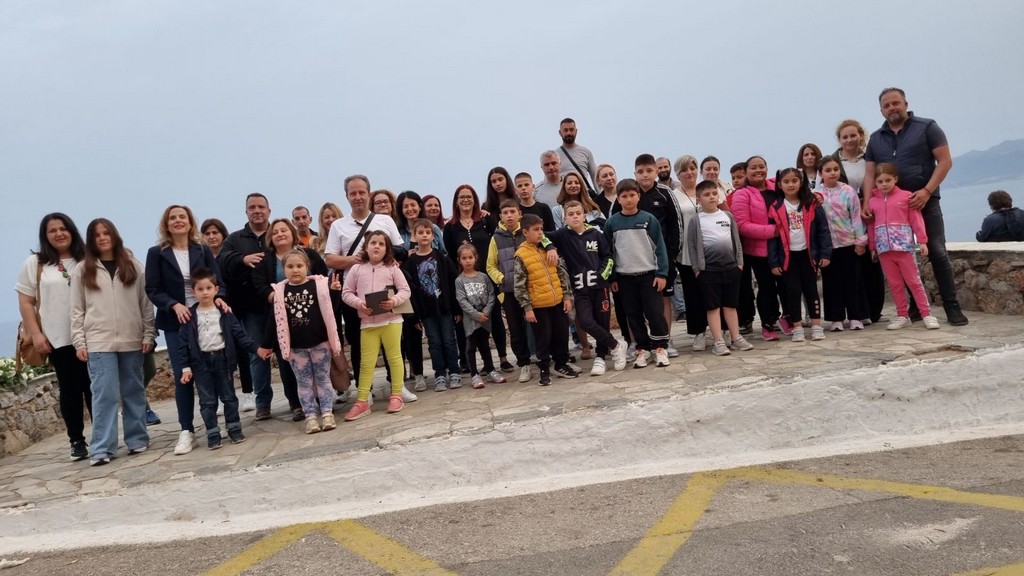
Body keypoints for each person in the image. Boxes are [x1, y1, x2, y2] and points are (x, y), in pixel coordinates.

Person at [864, 87, 967, 326]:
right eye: (886, 105)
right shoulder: (876, 139)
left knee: (937, 250)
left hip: (924, 201)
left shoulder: (927, 127)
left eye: (895, 103)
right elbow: (870, 173)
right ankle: (915, 308)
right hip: (892, 207)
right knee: (900, 256)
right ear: (881, 110)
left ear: (905, 104)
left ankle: (951, 306)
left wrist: (927, 191)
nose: (892, 108)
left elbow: (945, 161)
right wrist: (867, 201)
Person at [70, 218, 155, 466]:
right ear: (91, 240)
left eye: (106, 233)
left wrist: (148, 334)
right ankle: (102, 448)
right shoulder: (82, 270)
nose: (102, 238)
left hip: (132, 340)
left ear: (114, 235)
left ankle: (137, 439)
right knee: (104, 395)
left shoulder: (133, 266)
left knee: (133, 391)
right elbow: (76, 309)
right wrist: (79, 342)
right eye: (97, 235)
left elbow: (145, 303)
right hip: (98, 342)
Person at [145, 205, 227, 456]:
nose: (178, 220)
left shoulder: (202, 250)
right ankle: (186, 430)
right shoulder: (157, 253)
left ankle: (217, 425)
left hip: (206, 318)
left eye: (182, 217)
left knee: (213, 370)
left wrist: (219, 300)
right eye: (173, 218)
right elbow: (153, 289)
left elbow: (218, 283)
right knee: (184, 375)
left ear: (190, 222)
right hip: (176, 322)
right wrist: (174, 304)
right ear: (166, 224)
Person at [16, 213, 92, 460]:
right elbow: (26, 302)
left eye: (63, 228)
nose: (59, 234)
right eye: (52, 230)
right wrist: (36, 334)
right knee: (70, 391)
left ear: (72, 231)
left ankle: (103, 436)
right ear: (45, 236)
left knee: (95, 389)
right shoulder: (35, 264)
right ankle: (77, 441)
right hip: (58, 338)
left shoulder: (87, 259)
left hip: (92, 334)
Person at [324, 175, 408, 388]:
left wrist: (386, 255)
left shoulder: (385, 221)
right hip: (355, 293)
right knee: (358, 342)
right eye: (353, 193)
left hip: (386, 289)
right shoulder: (338, 226)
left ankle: (397, 386)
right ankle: (365, 389)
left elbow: (401, 251)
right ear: (346, 196)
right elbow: (330, 259)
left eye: (361, 192)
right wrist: (355, 259)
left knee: (394, 341)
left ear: (368, 194)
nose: (358, 197)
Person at [178, 269, 270, 449]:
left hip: (223, 360)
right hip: (200, 363)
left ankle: (234, 428)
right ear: (193, 292)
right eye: (200, 289)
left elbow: (239, 335)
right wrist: (185, 368)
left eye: (208, 288)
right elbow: (183, 344)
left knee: (228, 397)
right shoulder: (189, 316)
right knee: (207, 400)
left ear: (216, 289)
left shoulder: (225, 312)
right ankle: (213, 432)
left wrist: (257, 348)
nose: (205, 292)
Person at [252, 218, 330, 422]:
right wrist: (276, 298)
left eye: (284, 230)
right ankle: (296, 404)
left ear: (292, 232)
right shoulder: (265, 261)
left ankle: (322, 402)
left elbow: (323, 277)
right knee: (288, 365)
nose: (280, 234)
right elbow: (259, 285)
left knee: (317, 368)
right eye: (275, 232)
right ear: (270, 238)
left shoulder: (309, 254)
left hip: (313, 319)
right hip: (284, 320)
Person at [265, 250, 345, 433]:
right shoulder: (280, 292)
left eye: (299, 266)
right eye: (290, 266)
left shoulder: (318, 285)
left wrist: (334, 292)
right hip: (296, 347)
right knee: (303, 382)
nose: (295, 270)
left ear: (307, 267)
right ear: (284, 269)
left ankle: (327, 412)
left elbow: (330, 309)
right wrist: (266, 344)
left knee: (323, 378)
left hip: (320, 343)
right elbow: (273, 319)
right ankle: (310, 416)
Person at [546, 200, 627, 374]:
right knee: (585, 321)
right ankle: (616, 345)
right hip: (580, 289)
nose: (575, 217)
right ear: (564, 218)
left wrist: (601, 275)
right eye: (570, 214)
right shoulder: (562, 235)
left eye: (578, 213)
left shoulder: (596, 234)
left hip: (600, 287)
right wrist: (551, 247)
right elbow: (542, 237)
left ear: (584, 216)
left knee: (602, 322)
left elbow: (608, 256)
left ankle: (600, 357)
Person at [341, 231, 411, 420]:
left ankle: (396, 395)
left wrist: (394, 301)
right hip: (368, 323)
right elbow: (346, 292)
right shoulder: (356, 269)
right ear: (366, 246)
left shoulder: (392, 268)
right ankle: (362, 401)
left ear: (387, 249)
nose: (377, 246)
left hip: (392, 321)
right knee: (366, 363)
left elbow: (405, 290)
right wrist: (359, 304)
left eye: (381, 243)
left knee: (395, 358)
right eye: (373, 242)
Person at [218, 193, 277, 420]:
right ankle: (263, 404)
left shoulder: (278, 232)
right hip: (252, 308)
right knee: (258, 355)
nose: (257, 210)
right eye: (252, 207)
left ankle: (297, 401)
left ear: (269, 211)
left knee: (288, 354)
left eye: (261, 206)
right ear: (246, 212)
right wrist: (242, 259)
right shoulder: (234, 239)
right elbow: (221, 261)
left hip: (280, 304)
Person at [443, 185, 513, 374]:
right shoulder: (450, 227)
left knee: (495, 318)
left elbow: (496, 241)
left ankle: (503, 358)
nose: (466, 200)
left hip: (488, 277)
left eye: (469, 196)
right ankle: (475, 363)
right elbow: (451, 254)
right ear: (456, 201)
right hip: (466, 281)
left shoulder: (485, 219)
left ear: (474, 199)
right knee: (471, 322)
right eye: (461, 197)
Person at [604, 178, 671, 369]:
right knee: (633, 315)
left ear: (638, 196)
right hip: (624, 278)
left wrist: (662, 273)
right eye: (624, 196)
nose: (629, 199)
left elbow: (660, 248)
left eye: (632, 195)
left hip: (649, 276)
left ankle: (660, 347)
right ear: (618, 199)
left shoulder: (649, 220)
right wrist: (612, 277)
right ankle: (642, 348)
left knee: (654, 313)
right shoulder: (612, 223)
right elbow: (608, 253)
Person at [866, 163, 941, 330]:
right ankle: (902, 315)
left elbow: (916, 219)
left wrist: (922, 240)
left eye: (887, 180)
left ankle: (926, 314)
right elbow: (871, 225)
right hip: (884, 249)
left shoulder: (906, 197)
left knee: (914, 281)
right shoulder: (872, 202)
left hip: (904, 248)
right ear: (875, 182)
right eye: (880, 181)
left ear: (895, 179)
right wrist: (872, 247)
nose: (884, 184)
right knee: (895, 284)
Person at [621, 154, 680, 356]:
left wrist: (672, 255)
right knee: (635, 304)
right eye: (640, 171)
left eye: (649, 171)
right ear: (635, 173)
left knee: (663, 299)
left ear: (656, 171)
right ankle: (638, 343)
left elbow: (676, 224)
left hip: (662, 259)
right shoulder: (629, 193)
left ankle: (666, 340)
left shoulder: (665, 193)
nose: (645, 175)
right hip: (635, 261)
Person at [687, 181, 754, 356]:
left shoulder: (727, 216)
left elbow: (736, 240)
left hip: (731, 268)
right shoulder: (696, 220)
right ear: (698, 199)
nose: (711, 197)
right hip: (708, 271)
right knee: (713, 307)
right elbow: (692, 245)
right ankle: (718, 341)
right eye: (706, 194)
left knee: (731, 305)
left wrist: (739, 263)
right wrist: (697, 269)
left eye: (714, 193)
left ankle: (736, 337)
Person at [767, 168, 832, 343]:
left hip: (808, 255)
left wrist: (825, 253)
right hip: (788, 258)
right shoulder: (776, 208)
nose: (790, 184)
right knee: (793, 292)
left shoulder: (811, 204)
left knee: (811, 290)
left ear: (801, 182)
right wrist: (774, 262)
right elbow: (772, 238)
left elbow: (823, 230)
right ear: (780, 184)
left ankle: (816, 326)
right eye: (786, 181)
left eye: (794, 181)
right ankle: (797, 327)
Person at [831, 119, 885, 324]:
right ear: (840, 139)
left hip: (869, 215)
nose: (849, 140)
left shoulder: (870, 159)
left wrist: (868, 202)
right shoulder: (834, 162)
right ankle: (857, 312)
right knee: (852, 267)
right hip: (844, 222)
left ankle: (874, 310)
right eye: (845, 137)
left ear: (861, 136)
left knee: (871, 263)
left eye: (853, 135)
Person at [514, 214, 578, 385]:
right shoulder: (521, 255)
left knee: (561, 334)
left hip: (557, 301)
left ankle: (561, 364)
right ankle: (544, 368)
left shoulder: (548, 248)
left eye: (541, 229)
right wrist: (527, 308)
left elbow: (561, 273)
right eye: (536, 230)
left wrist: (567, 296)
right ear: (525, 232)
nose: (540, 233)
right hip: (539, 305)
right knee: (543, 338)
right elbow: (519, 285)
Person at [202, 217, 255, 412]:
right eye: (207, 233)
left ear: (222, 234)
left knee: (241, 352)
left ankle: (249, 393)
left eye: (215, 232)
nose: (212, 237)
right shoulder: (201, 259)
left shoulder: (229, 253)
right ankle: (222, 397)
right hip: (210, 312)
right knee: (218, 356)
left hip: (235, 308)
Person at [404, 219, 463, 392]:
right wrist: (415, 316)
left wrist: (456, 308)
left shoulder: (442, 258)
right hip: (426, 311)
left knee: (449, 340)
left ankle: (454, 371)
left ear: (433, 236)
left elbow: (452, 284)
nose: (424, 235)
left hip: (445, 308)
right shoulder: (411, 262)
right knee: (434, 343)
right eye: (420, 232)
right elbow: (410, 292)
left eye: (428, 232)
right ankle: (440, 374)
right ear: (414, 236)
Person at [732, 156, 786, 341]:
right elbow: (741, 225)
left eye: (761, 166)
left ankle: (787, 319)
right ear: (746, 171)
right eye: (753, 168)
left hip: (782, 248)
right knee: (767, 288)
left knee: (787, 286)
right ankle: (767, 324)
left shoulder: (777, 187)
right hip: (757, 250)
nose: (758, 170)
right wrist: (773, 231)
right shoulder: (742, 194)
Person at [395, 190, 443, 391]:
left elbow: (443, 252)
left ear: (419, 206)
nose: (410, 209)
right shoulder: (397, 232)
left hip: (431, 287)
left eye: (413, 204)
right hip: (407, 287)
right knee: (411, 331)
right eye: (405, 206)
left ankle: (445, 370)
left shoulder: (432, 228)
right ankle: (418, 374)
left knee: (439, 332)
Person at [815, 157, 869, 331]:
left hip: (848, 243)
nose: (832, 173)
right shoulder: (816, 195)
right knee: (832, 283)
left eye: (835, 169)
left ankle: (856, 316)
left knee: (853, 281)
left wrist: (860, 241)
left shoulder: (848, 191)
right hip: (828, 246)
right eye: (828, 170)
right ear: (821, 173)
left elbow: (856, 216)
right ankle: (836, 318)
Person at [488, 199, 534, 383]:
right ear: (500, 216)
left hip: (531, 288)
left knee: (538, 324)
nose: (509, 216)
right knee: (515, 329)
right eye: (505, 213)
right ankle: (524, 364)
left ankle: (544, 357)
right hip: (508, 291)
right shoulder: (496, 238)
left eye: (512, 212)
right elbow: (490, 266)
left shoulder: (527, 232)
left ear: (519, 214)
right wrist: (502, 279)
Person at [670, 155, 710, 351]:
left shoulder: (707, 189)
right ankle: (698, 332)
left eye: (692, 168)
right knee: (693, 294)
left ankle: (722, 328)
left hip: (710, 249)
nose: (689, 173)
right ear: (677, 174)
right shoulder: (673, 196)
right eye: (684, 169)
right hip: (686, 251)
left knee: (713, 291)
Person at [454, 245, 507, 388]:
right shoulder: (459, 281)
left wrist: (487, 311)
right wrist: (476, 315)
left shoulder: (483, 277)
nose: (468, 261)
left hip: (485, 318)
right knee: (471, 346)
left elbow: (491, 294)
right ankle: (474, 374)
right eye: (464, 258)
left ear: (476, 258)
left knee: (484, 344)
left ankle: (490, 370)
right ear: (459, 260)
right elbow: (462, 300)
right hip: (471, 319)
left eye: (470, 257)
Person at [555, 118, 598, 192]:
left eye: (571, 130)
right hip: (564, 196)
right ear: (560, 133)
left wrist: (602, 196)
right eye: (565, 130)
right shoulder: (555, 156)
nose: (569, 133)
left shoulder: (586, 152)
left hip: (584, 195)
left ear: (576, 131)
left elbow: (596, 177)